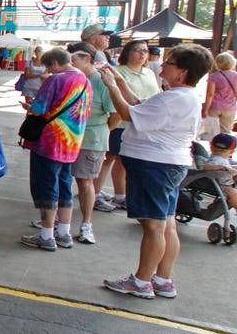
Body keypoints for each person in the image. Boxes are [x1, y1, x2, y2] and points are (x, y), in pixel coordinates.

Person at [99, 43, 213, 300]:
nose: (161, 64)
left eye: (169, 63)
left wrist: (112, 87)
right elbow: (139, 104)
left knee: (153, 226)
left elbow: (128, 113)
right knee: (167, 223)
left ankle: (141, 281)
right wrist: (120, 80)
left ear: (182, 72)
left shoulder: (174, 99)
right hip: (168, 163)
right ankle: (162, 278)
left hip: (154, 165)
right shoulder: (180, 96)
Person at [19, 48, 89, 251]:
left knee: (47, 186)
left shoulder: (55, 80)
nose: (48, 70)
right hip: (72, 142)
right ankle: (64, 233)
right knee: (65, 186)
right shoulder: (84, 80)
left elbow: (39, 109)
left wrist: (30, 108)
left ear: (55, 63)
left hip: (50, 141)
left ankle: (46, 234)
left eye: (49, 66)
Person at [66, 44, 119, 244]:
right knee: (63, 178)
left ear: (87, 58)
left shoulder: (101, 82)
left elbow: (115, 117)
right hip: (68, 137)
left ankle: (86, 224)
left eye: (74, 61)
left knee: (85, 182)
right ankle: (57, 220)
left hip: (91, 139)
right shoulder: (72, 79)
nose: (70, 65)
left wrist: (99, 132)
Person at [98, 40, 160, 212]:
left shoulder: (149, 73)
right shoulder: (118, 71)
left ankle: (120, 195)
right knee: (108, 157)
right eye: (137, 50)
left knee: (123, 161)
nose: (142, 54)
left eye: (145, 51)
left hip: (141, 125)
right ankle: (94, 193)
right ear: (128, 52)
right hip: (120, 122)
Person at [203, 52, 237, 135]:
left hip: (214, 107)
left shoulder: (214, 76)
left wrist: (206, 109)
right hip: (230, 108)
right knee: (226, 132)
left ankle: (213, 147)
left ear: (217, 63)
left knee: (211, 133)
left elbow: (210, 94)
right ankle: (224, 147)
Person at [203, 133, 237, 210]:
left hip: (225, 183)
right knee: (234, 194)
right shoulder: (216, 159)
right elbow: (207, 167)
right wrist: (223, 167)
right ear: (232, 151)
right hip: (220, 185)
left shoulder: (223, 159)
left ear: (211, 147)